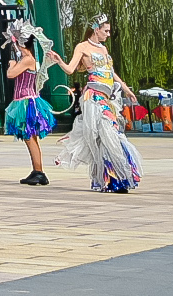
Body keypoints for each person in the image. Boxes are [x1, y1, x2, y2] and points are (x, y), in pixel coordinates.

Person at [55, 16, 142, 192]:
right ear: (96, 29)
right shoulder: (82, 47)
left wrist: (126, 88)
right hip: (94, 98)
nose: (108, 34)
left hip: (108, 98)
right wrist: (58, 61)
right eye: (106, 31)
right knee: (105, 135)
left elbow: (111, 72)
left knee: (112, 136)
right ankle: (111, 179)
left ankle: (114, 179)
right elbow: (71, 69)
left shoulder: (103, 48)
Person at [1, 20, 57, 184]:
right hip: (23, 100)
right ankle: (36, 170)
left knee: (30, 137)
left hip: (27, 102)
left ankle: (39, 172)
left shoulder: (27, 59)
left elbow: (11, 75)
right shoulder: (26, 58)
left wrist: (11, 65)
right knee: (29, 137)